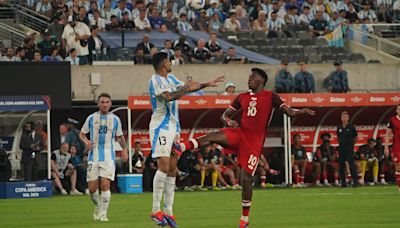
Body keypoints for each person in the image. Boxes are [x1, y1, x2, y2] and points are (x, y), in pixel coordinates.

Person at [177, 68, 315, 227]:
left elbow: (289, 112)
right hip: (239, 133)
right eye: (249, 77)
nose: (249, 79)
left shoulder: (271, 96)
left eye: (252, 77)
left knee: (246, 178)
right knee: (214, 135)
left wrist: (301, 111)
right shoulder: (241, 97)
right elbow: (224, 116)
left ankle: (244, 219)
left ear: (261, 80)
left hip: (254, 143)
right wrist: (228, 122)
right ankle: (181, 147)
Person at [148, 52, 224, 227]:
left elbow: (188, 87)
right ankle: (155, 210)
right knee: (164, 166)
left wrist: (207, 84)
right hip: (161, 127)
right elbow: (168, 97)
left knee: (173, 169)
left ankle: (169, 212)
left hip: (174, 128)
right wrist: (186, 89)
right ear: (162, 63)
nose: (171, 62)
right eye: (168, 60)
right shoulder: (156, 80)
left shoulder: (171, 78)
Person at [80, 93, 128, 222]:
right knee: (92, 189)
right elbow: (82, 133)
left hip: (108, 157)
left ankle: (103, 214)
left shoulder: (115, 119)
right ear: (98, 103)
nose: (105, 104)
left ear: (110, 104)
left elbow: (119, 137)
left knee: (105, 185)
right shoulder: (91, 118)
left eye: (107, 102)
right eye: (102, 102)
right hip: (93, 157)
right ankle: (98, 206)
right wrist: (86, 142)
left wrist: (124, 149)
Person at [337, 111, 358, 187]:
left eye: (345, 117)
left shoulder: (351, 127)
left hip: (349, 149)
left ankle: (355, 182)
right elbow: (338, 137)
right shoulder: (339, 128)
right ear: (341, 118)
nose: (344, 118)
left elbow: (356, 137)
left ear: (348, 118)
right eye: (343, 117)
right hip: (341, 149)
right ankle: (343, 183)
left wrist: (351, 145)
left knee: (352, 166)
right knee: (341, 167)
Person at [385, 104, 400, 191]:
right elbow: (387, 134)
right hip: (397, 146)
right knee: (398, 166)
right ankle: (399, 186)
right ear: (396, 111)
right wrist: (386, 147)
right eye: (399, 109)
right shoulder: (392, 120)